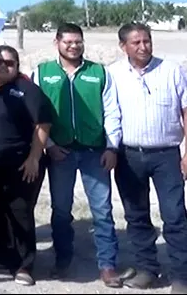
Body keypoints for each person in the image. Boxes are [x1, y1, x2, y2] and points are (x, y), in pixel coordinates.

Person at [33, 23, 123, 286]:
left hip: (94, 152)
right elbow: (36, 113)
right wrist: (48, 144)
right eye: (68, 42)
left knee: (102, 210)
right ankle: (63, 260)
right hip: (60, 152)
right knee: (61, 210)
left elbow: (112, 112)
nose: (74, 46)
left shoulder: (99, 72)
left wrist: (111, 146)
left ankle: (107, 265)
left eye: (78, 41)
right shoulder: (42, 73)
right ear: (56, 42)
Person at [107, 23, 187, 292]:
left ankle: (180, 276)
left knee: (175, 216)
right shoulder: (113, 73)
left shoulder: (172, 70)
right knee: (136, 215)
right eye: (136, 42)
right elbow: (110, 114)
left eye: (147, 41)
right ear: (123, 46)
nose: (143, 47)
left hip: (167, 156)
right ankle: (147, 269)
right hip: (128, 156)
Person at [0, 44, 52, 286]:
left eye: (10, 62)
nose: (3, 66)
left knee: (20, 211)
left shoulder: (26, 89)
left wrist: (34, 158)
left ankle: (24, 264)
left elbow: (43, 124)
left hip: (20, 163)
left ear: (17, 66)